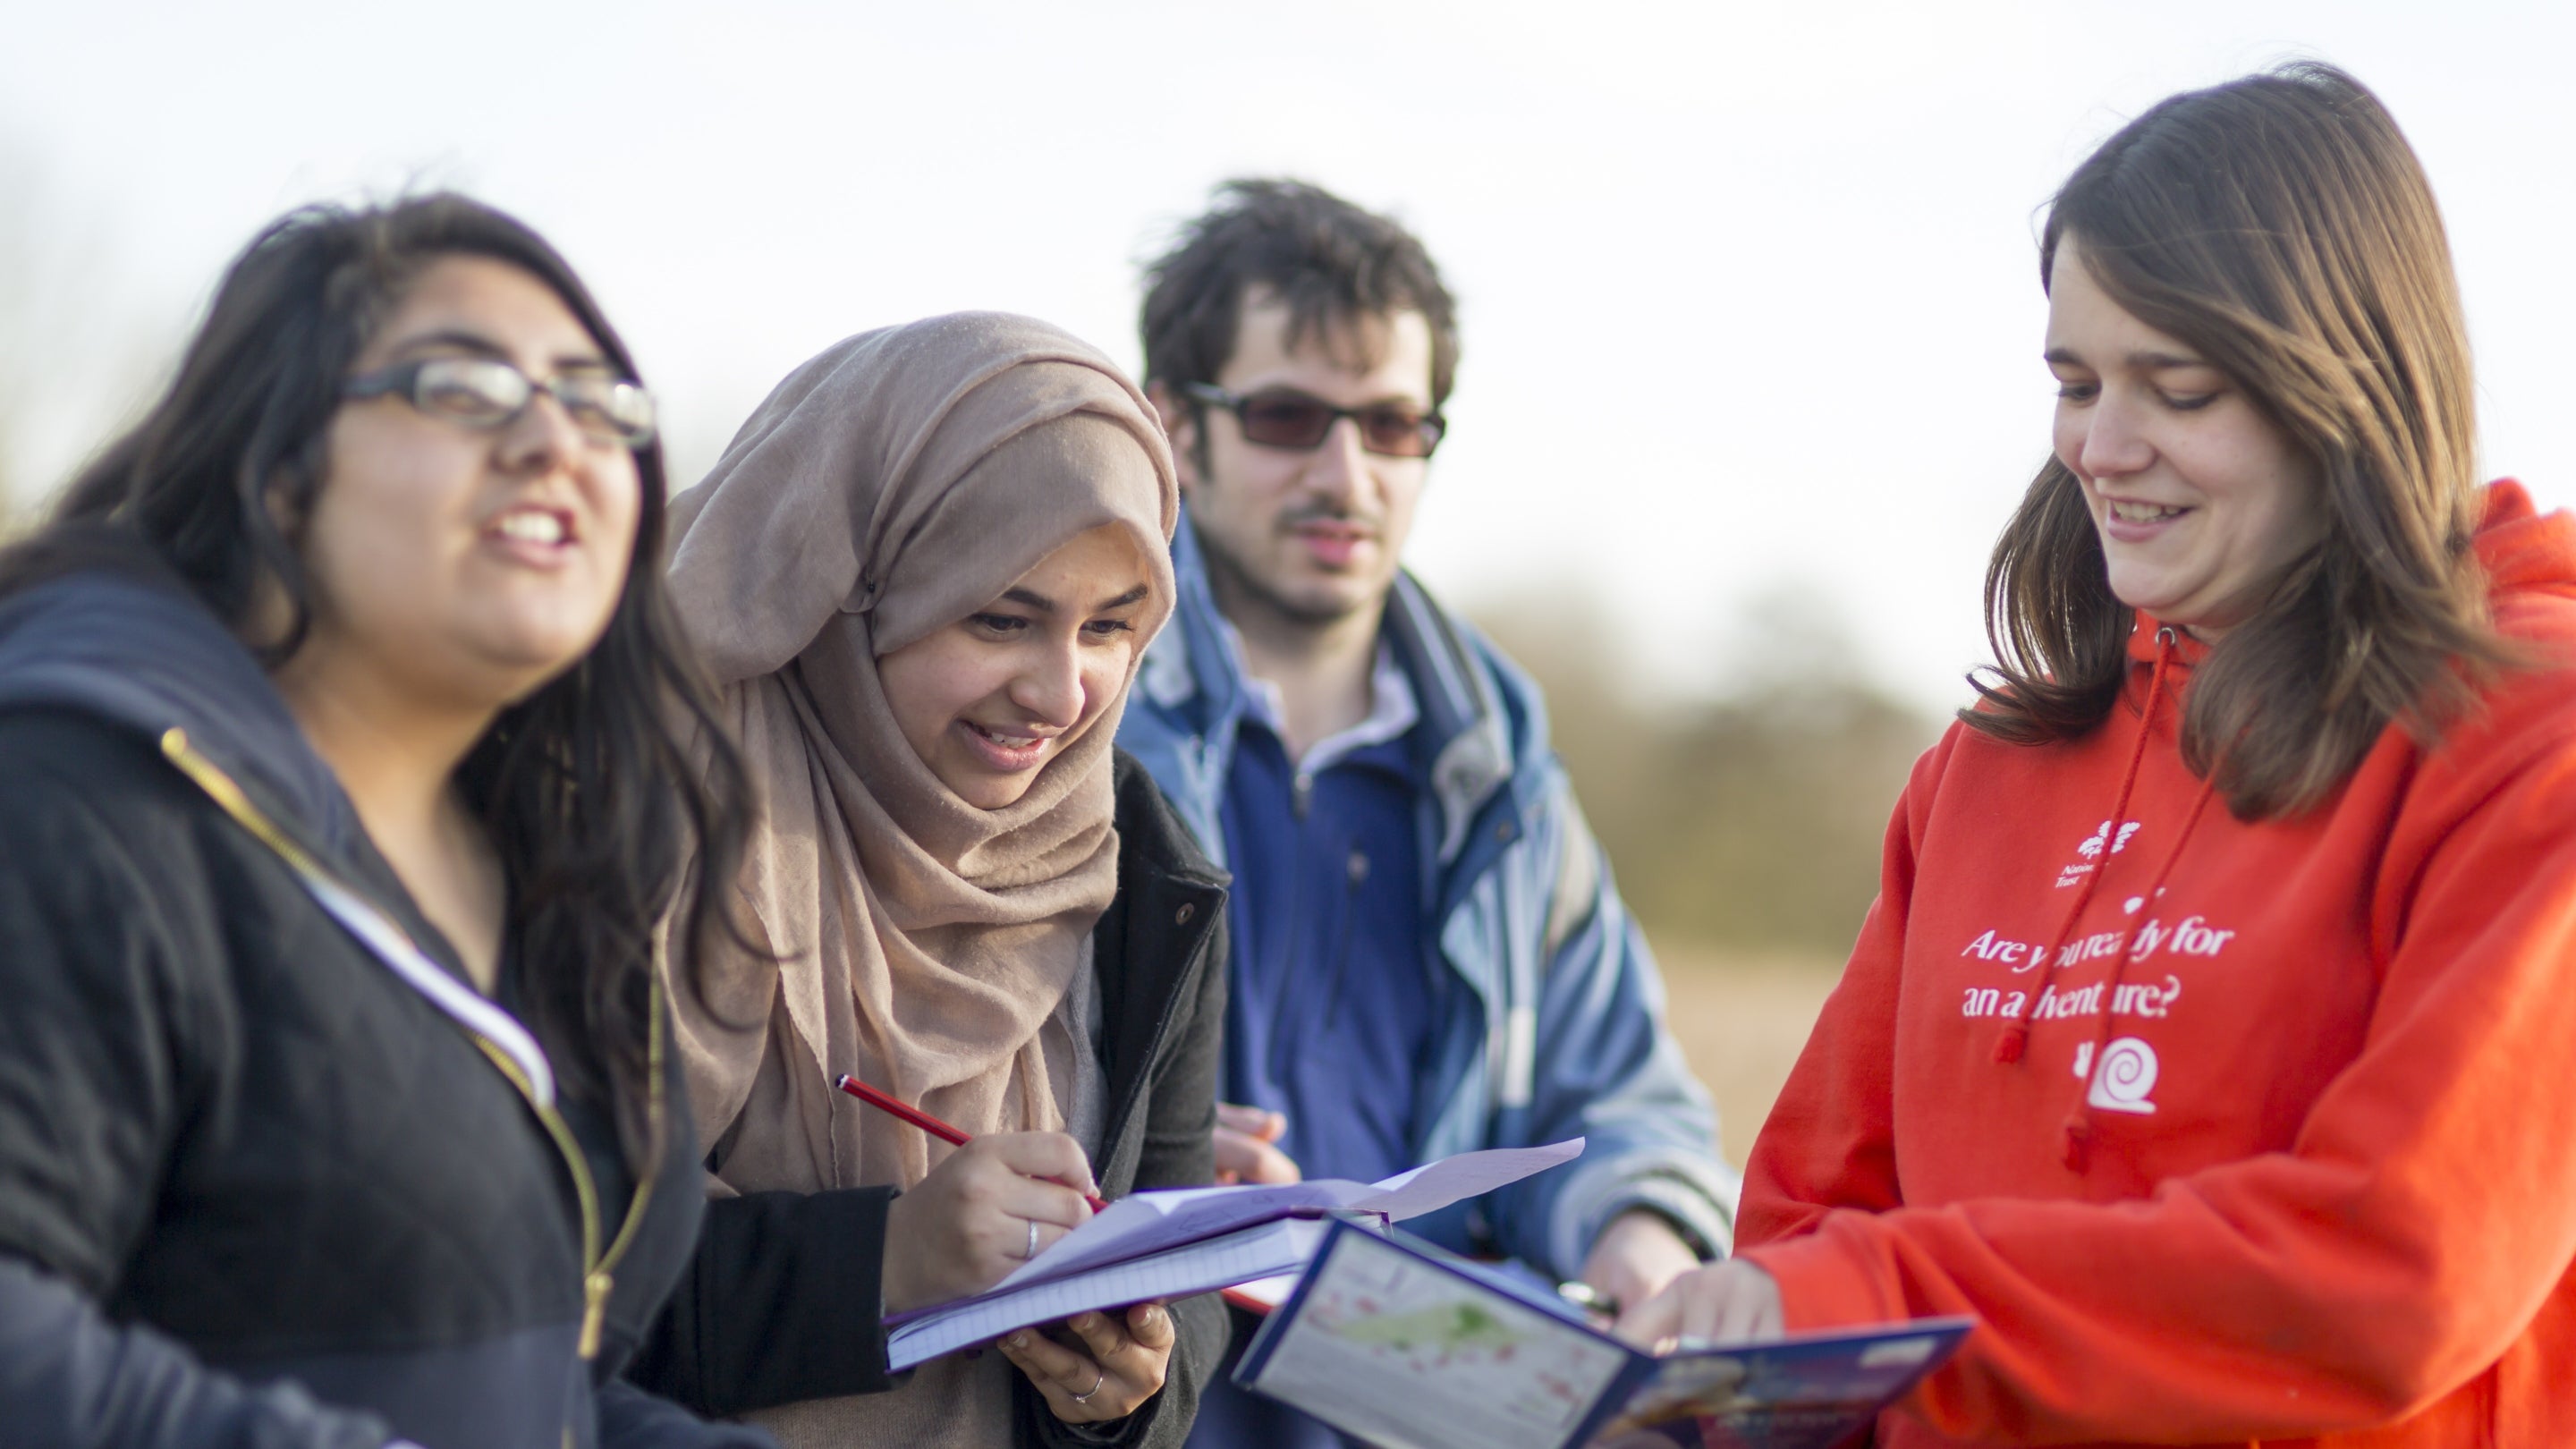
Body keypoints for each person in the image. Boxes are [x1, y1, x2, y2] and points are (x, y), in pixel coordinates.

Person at [1620, 65, 2576, 1447]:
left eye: (2175, 389)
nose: (2099, 447)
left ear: (2348, 391)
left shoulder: (2527, 734)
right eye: (2074, 381)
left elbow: (2396, 1269)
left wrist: (1874, 1299)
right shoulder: (1988, 768)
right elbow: (1811, 1221)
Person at [0, 195, 770, 1448]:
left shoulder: (552, 866)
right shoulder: (85, 788)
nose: (551, 440)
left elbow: (522, 1389)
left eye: (598, 404)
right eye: (463, 385)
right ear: (278, 463)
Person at [1114, 179, 1738, 1445]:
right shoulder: (1066, 733)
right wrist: (1147, 1149)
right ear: (1175, 427)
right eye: (1290, 416)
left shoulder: (1504, 780)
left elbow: (1621, 1096)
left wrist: (1645, 1235)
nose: (1347, 474)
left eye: (1394, 424)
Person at [621, 312, 1229, 1448]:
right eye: (1003, 618)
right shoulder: (640, 813)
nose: (1061, 695)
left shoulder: (1146, 871)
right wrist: (892, 1260)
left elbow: (1178, 1263)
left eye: (1110, 628)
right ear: (851, 582)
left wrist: (1127, 1384)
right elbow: (525, 1276)